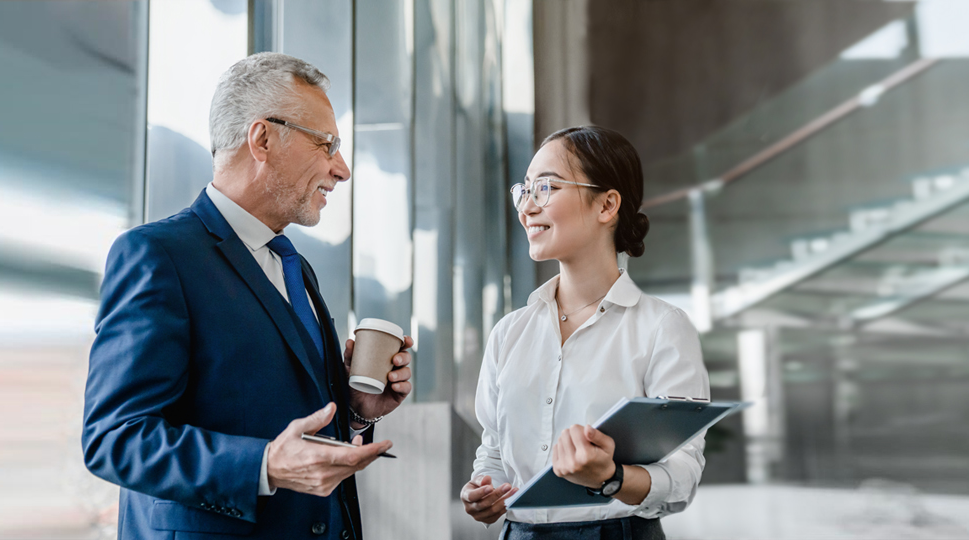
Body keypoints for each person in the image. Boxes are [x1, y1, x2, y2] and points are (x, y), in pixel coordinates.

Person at [83, 52, 415, 540]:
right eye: (327, 144)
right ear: (262, 139)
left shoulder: (295, 267)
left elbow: (286, 419)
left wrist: (354, 411)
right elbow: (115, 439)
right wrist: (263, 466)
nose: (341, 169)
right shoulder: (158, 255)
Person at [461, 126, 711, 540]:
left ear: (606, 204)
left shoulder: (661, 328)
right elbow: (493, 449)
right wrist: (484, 490)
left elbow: (682, 474)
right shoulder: (510, 333)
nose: (527, 207)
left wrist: (611, 477)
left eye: (546, 187)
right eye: (524, 190)